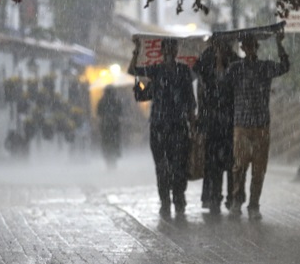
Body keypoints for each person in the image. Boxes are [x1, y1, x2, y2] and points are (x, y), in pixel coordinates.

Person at [128, 38, 197, 216]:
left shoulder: (183, 71)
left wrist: (193, 122)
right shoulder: (156, 71)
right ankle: (165, 200)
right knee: (162, 166)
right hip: (159, 127)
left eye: (172, 49)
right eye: (166, 49)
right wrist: (137, 50)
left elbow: (190, 100)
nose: (169, 53)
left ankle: (179, 199)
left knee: (179, 165)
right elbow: (133, 70)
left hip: (179, 126)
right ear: (161, 51)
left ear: (175, 51)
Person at [226, 32, 290, 220]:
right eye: (246, 45)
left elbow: (285, 66)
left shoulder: (265, 67)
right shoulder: (235, 68)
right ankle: (237, 201)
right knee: (239, 166)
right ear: (243, 48)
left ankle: (254, 204)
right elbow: (222, 82)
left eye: (252, 45)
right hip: (242, 125)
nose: (249, 48)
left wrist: (280, 45)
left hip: (261, 124)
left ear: (256, 47)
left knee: (259, 169)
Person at [193, 38, 240, 214]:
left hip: (228, 120)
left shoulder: (234, 61)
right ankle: (214, 197)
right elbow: (199, 79)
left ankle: (231, 197)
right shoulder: (206, 59)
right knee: (213, 162)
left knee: (230, 161)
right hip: (212, 120)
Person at [96, 85, 122, 169]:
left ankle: (108, 161)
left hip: (105, 127)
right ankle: (113, 162)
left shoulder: (101, 101)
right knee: (114, 144)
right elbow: (120, 113)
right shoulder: (116, 101)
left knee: (107, 144)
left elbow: (98, 113)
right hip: (114, 127)